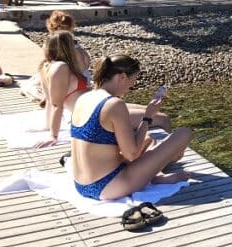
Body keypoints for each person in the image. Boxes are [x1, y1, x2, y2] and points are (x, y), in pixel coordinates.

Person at [70, 54, 192, 202]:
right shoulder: (114, 104)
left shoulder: (84, 98)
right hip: (107, 185)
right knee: (184, 133)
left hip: (81, 184)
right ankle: (156, 177)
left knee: (147, 139)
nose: (132, 86)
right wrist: (148, 116)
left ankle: (157, 175)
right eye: (133, 80)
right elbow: (132, 154)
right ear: (121, 77)